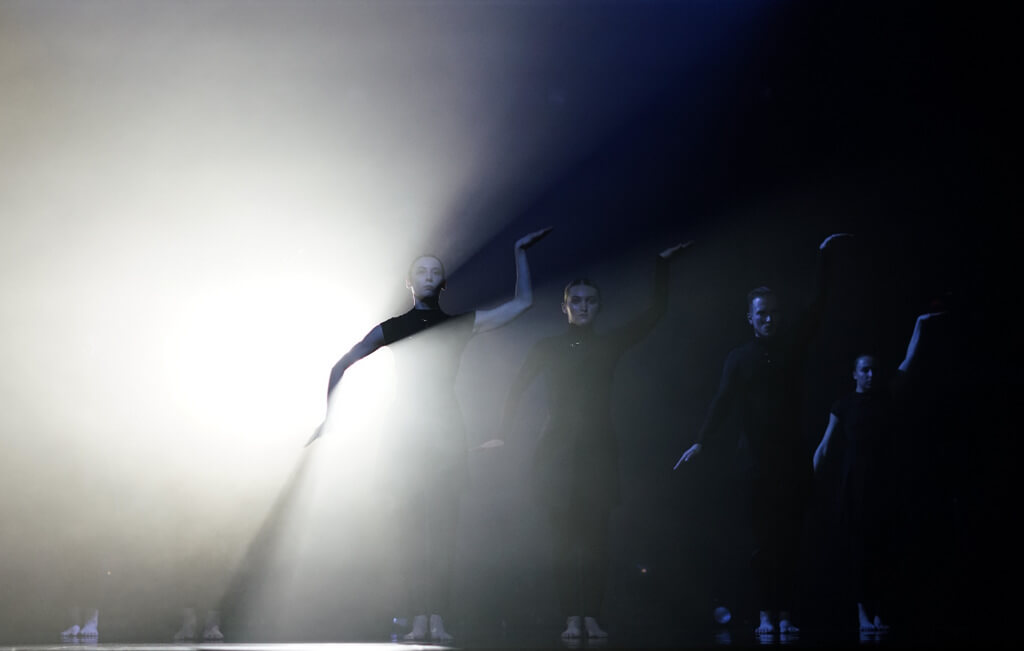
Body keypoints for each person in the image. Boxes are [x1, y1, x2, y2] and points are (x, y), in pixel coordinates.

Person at [308, 227, 551, 643]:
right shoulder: (393, 327)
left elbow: (523, 303)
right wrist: (329, 417)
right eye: (421, 271)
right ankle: (417, 619)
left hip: (447, 436)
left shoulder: (458, 324)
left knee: (444, 532)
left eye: (435, 271)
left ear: (442, 283)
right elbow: (340, 365)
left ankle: (437, 617)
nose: (428, 276)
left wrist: (519, 253)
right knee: (410, 535)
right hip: (407, 438)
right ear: (410, 282)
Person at [501, 241, 692, 640]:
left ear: (599, 307)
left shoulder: (608, 344)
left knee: (596, 543)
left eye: (590, 301)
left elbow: (654, 314)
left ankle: (591, 616)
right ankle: (571, 617)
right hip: (555, 457)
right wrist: (502, 433)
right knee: (563, 545)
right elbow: (516, 389)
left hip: (598, 455)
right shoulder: (547, 347)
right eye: (577, 300)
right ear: (565, 307)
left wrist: (662, 264)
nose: (583, 306)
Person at [675, 233, 850, 636]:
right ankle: (766, 614)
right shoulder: (739, 358)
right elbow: (721, 401)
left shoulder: (793, 346)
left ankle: (785, 612)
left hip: (792, 462)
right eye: (762, 314)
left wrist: (824, 257)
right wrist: (701, 441)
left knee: (790, 542)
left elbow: (818, 306)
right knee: (762, 545)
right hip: (755, 464)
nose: (769, 319)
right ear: (750, 318)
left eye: (774, 313)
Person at [811, 311, 945, 633]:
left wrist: (919, 324)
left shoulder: (886, 396)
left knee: (884, 551)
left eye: (874, 370)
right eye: (865, 370)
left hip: (884, 487)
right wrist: (810, 483)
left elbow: (908, 360)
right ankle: (862, 615)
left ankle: (881, 612)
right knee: (860, 553)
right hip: (855, 488)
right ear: (854, 374)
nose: (871, 375)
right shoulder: (844, 405)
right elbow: (825, 446)